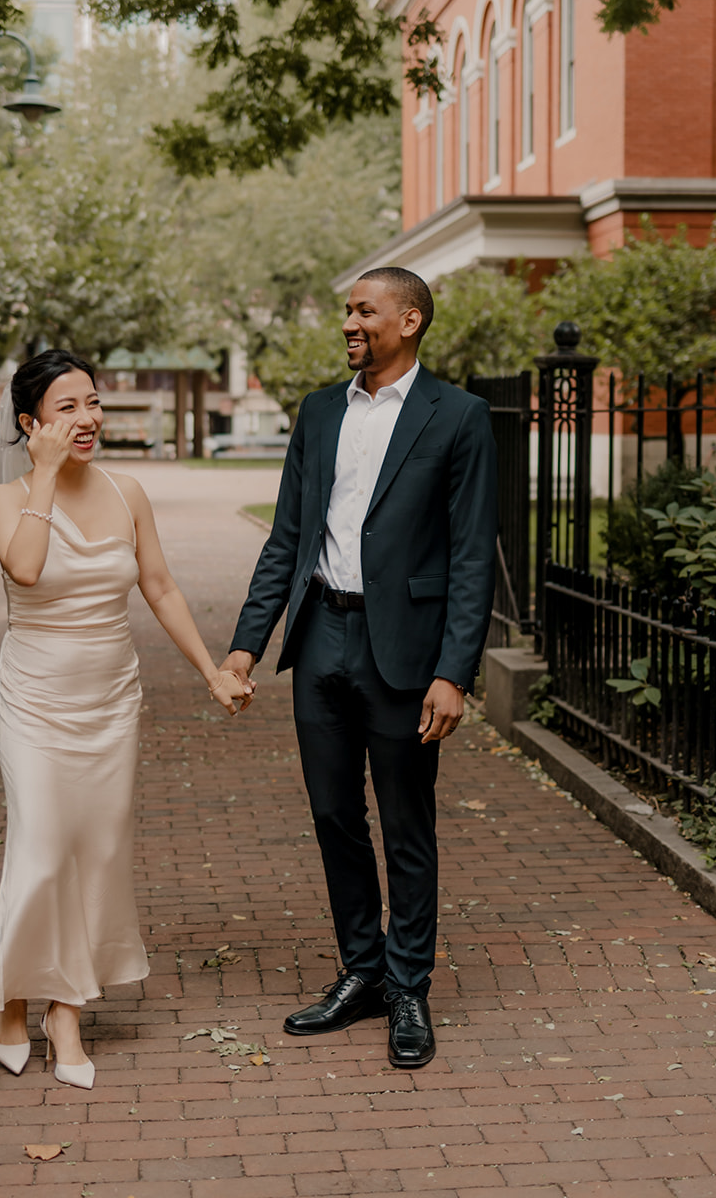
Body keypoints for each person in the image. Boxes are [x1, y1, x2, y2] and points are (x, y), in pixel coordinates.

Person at [220, 267, 497, 1069]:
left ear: (407, 321)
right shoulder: (317, 412)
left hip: (404, 652)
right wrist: (246, 645)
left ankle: (408, 985)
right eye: (345, 310)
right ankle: (361, 972)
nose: (348, 322)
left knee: (407, 824)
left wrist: (454, 671)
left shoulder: (461, 417)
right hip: (320, 641)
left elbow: (473, 555)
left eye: (362, 310)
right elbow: (285, 541)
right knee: (333, 815)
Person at [0, 349, 252, 1088]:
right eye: (66, 408)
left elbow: (159, 587)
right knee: (41, 847)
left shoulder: (127, 491)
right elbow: (27, 568)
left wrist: (211, 672)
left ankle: (64, 1007)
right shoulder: (7, 499)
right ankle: (11, 996)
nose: (88, 418)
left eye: (92, 403)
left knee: (95, 852)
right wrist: (40, 474)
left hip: (110, 696)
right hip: (35, 695)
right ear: (31, 423)